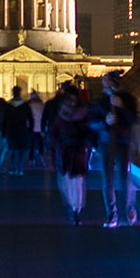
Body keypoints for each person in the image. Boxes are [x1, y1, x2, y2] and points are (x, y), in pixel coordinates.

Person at [98, 70, 138, 227]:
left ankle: (128, 209)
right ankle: (112, 215)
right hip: (106, 141)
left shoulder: (127, 99)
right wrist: (104, 122)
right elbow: (92, 121)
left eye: (106, 81)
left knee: (124, 177)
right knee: (107, 180)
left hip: (122, 141)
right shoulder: (101, 101)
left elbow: (132, 119)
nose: (104, 84)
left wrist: (121, 107)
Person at [53, 81, 94, 223]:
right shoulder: (84, 112)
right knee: (74, 180)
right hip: (72, 149)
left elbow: (54, 132)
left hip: (73, 150)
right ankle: (75, 207)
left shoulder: (62, 113)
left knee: (75, 180)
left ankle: (75, 208)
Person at [2, 86, 32, 174]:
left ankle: (13, 167)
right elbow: (30, 118)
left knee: (12, 149)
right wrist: (30, 130)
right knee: (22, 149)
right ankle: (20, 168)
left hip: (10, 129)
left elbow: (4, 119)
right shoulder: (25, 105)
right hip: (22, 129)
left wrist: (3, 132)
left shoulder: (8, 105)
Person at [26, 91, 46, 168]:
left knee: (32, 145)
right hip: (41, 128)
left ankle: (31, 160)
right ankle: (41, 158)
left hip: (32, 128)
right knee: (41, 144)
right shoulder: (42, 105)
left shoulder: (29, 106)